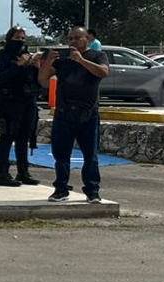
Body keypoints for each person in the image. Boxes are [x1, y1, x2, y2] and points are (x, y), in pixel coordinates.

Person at [37, 27, 110, 203]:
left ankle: (92, 191)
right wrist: (49, 61)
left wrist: (81, 60)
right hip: (64, 113)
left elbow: (103, 72)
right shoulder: (63, 60)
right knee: (61, 154)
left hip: (88, 113)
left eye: (77, 37)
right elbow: (43, 81)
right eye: (70, 38)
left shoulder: (97, 56)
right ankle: (61, 189)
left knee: (90, 155)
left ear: (87, 38)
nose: (73, 41)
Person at [0, 27, 41, 187]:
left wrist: (35, 66)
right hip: (9, 103)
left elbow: (34, 80)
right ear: (9, 39)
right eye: (17, 38)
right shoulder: (1, 58)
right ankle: (2, 174)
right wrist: (18, 65)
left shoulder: (25, 56)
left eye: (22, 38)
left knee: (24, 138)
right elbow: (1, 78)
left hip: (27, 101)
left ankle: (23, 172)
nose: (20, 41)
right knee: (7, 137)